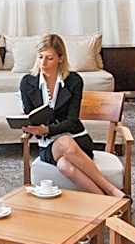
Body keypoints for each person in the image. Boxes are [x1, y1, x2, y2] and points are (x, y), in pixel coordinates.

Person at [19, 34, 125, 198]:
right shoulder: (27, 83)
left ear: (60, 58)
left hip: (78, 140)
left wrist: (47, 129)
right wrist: (30, 126)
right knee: (63, 151)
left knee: (64, 165)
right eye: (40, 57)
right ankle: (112, 194)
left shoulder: (74, 80)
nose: (43, 63)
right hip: (49, 146)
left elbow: (72, 121)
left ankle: (107, 199)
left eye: (49, 58)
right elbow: (30, 116)